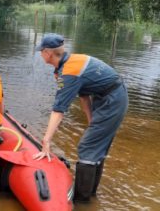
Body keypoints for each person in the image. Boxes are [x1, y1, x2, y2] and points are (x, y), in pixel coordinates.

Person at [32, 33, 128, 203]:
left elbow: (58, 110)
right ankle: (91, 196)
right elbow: (84, 96)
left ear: (48, 53)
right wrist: (92, 122)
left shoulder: (69, 72)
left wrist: (46, 141)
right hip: (106, 95)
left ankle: (81, 201)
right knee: (95, 146)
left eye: (41, 51)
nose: (40, 54)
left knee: (87, 147)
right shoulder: (71, 62)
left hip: (112, 100)